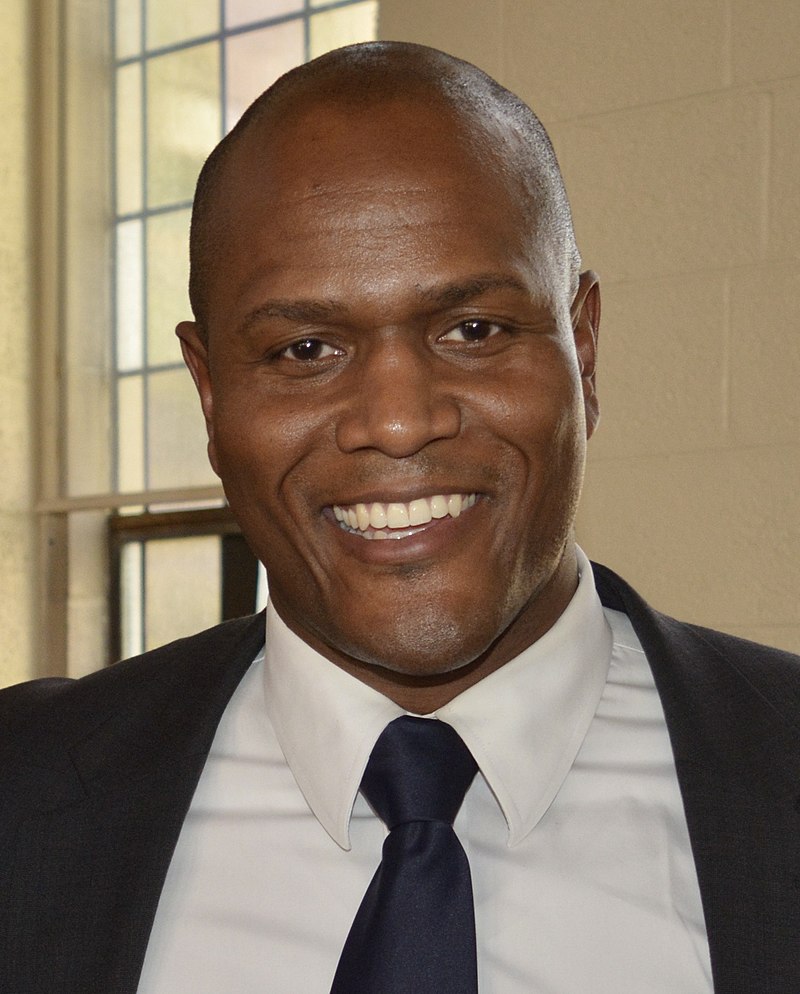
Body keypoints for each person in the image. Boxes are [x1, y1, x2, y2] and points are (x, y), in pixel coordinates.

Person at [1, 41, 798, 994]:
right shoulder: (23, 792)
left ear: (583, 351)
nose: (397, 420)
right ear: (210, 397)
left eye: (473, 330)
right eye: (305, 349)